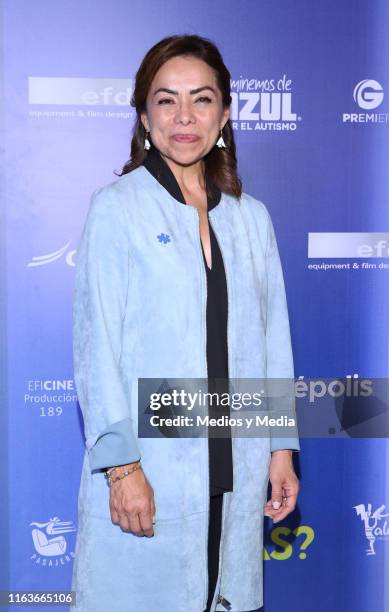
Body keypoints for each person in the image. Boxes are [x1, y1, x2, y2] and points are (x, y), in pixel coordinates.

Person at [71, 34, 300, 612]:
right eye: (166, 100)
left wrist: (280, 450)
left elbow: (273, 343)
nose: (184, 117)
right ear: (144, 114)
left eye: (201, 99)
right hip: (151, 466)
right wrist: (122, 468)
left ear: (224, 113)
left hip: (236, 466)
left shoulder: (253, 218)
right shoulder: (117, 207)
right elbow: (97, 349)